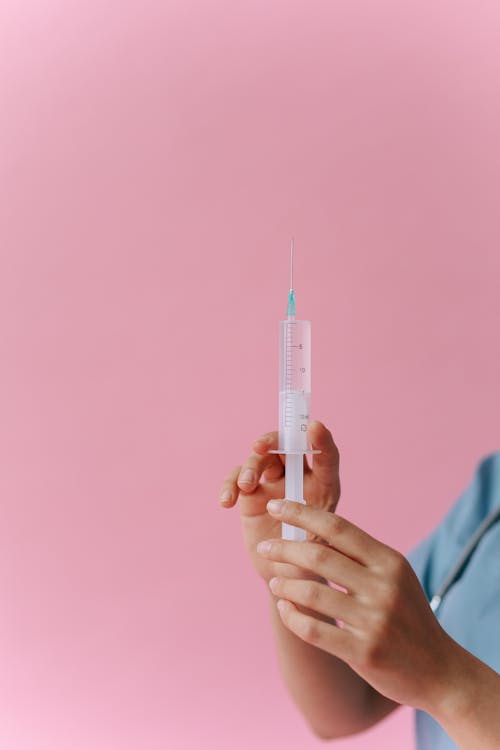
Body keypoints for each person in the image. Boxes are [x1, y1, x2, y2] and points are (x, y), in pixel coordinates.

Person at [218, 420, 500, 749]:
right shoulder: (491, 497)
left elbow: (435, 670)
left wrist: (449, 680)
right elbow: (348, 708)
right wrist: (296, 570)